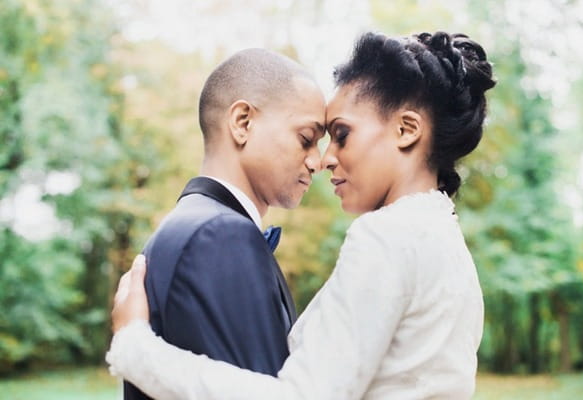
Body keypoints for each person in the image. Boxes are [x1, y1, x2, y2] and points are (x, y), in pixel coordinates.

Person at [107, 31, 496, 399]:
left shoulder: (388, 236)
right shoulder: (445, 242)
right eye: (311, 140)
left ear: (406, 130)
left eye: (341, 135)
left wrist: (135, 349)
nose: (325, 159)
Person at [120, 48, 326, 400]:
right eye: (306, 139)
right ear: (243, 122)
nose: (317, 162)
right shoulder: (219, 236)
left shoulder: (191, 226)